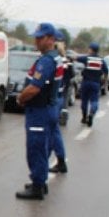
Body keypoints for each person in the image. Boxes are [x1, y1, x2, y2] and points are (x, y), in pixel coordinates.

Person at [15, 22, 60, 200]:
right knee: (42, 146)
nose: (37, 41)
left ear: (51, 39)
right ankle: (39, 182)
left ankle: (38, 186)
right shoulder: (54, 57)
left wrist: (20, 98)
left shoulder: (47, 61)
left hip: (39, 111)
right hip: (47, 108)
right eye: (36, 37)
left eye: (41, 38)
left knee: (36, 148)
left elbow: (34, 88)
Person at [74, 42, 109, 127]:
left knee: (84, 101)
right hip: (96, 83)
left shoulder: (87, 58)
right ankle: (92, 113)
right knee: (94, 100)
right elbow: (106, 71)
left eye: (89, 48)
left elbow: (76, 58)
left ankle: (84, 117)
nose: (88, 50)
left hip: (85, 82)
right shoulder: (101, 60)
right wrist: (104, 80)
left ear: (91, 50)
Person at [48, 35, 69, 174]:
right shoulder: (65, 61)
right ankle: (60, 161)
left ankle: (57, 161)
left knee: (50, 133)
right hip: (60, 97)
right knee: (53, 132)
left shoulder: (53, 61)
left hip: (53, 100)